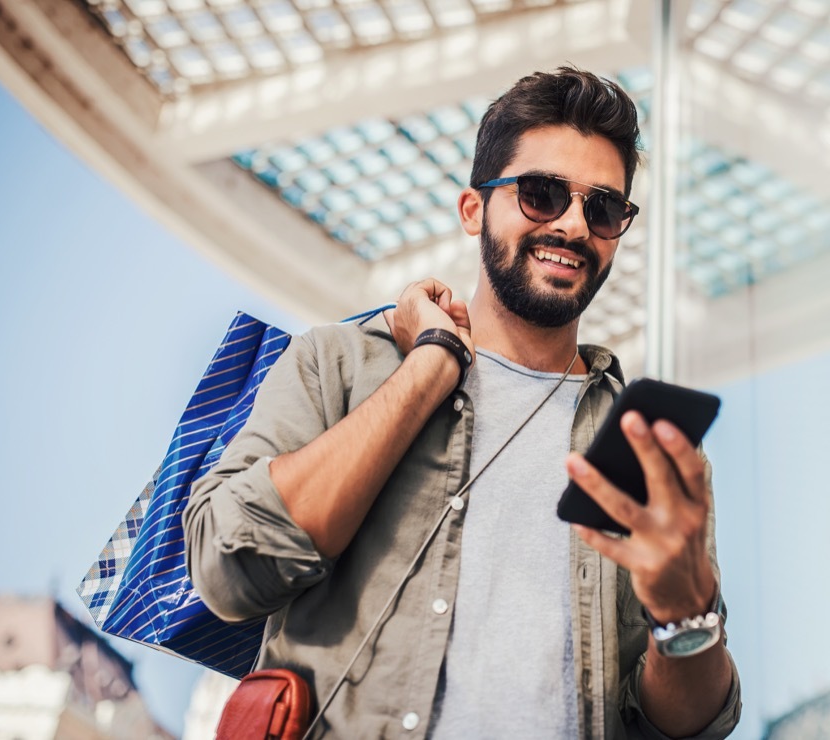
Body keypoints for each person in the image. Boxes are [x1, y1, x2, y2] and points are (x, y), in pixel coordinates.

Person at [183, 67, 741, 738]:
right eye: (541, 194)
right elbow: (230, 568)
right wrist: (431, 366)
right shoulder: (341, 364)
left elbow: (688, 728)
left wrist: (685, 617)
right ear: (473, 209)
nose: (573, 225)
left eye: (602, 209)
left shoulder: (645, 449)